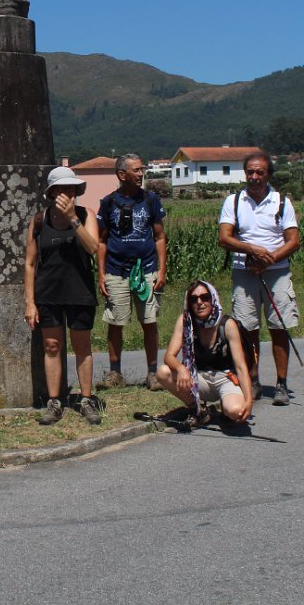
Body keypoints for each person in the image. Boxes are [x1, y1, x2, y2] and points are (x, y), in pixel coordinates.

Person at [218, 152, 301, 405]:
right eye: (250, 172)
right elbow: (224, 238)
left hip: (276, 273)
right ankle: (252, 380)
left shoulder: (282, 202)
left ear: (268, 175)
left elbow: (294, 241)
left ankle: (281, 384)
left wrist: (270, 259)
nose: (254, 177)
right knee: (247, 330)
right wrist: (252, 251)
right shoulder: (234, 201)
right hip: (245, 272)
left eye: (260, 173)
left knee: (279, 328)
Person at [23, 166, 102, 425]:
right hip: (49, 294)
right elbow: (30, 263)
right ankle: (54, 402)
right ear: (52, 192)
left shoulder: (85, 215)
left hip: (80, 292)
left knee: (82, 347)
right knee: (52, 347)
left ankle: (87, 399)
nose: (69, 193)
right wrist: (30, 303)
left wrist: (72, 219)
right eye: (64, 189)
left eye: (73, 189)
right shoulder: (38, 220)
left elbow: (92, 248)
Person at [96, 153, 168, 390]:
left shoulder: (150, 200)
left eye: (141, 169)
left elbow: (159, 236)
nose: (140, 174)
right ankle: (115, 373)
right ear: (121, 174)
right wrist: (102, 274)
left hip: (146, 269)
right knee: (116, 322)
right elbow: (102, 241)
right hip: (117, 271)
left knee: (149, 321)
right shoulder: (108, 203)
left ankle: (153, 373)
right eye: (136, 170)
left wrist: (161, 269)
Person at [156, 280, 253, 426]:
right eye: (194, 299)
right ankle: (197, 410)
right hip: (198, 378)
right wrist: (181, 369)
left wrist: (249, 400)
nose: (199, 302)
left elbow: (241, 367)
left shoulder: (227, 324)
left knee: (236, 411)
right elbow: (169, 356)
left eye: (205, 297)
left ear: (213, 298)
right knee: (163, 372)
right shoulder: (186, 321)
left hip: (225, 378)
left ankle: (226, 407)